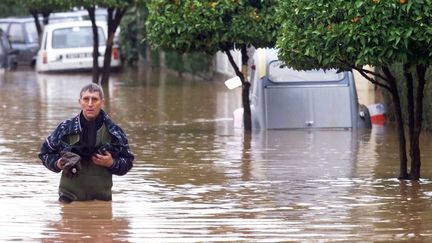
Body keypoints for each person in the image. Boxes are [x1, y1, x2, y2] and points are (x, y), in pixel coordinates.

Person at [39, 83, 134, 203]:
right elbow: (44, 153)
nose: (90, 104)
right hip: (69, 199)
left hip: (101, 201)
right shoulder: (65, 128)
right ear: (80, 102)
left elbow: (128, 162)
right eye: (86, 99)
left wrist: (111, 163)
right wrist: (59, 163)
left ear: (102, 102)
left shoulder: (114, 132)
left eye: (94, 99)